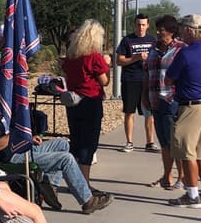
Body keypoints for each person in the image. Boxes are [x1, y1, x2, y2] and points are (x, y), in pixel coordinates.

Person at [0, 86, 111, 214]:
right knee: (66, 159)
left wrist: (29, 137)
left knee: (62, 144)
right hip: (14, 157)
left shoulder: (5, 115)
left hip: (24, 148)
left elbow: (17, 135)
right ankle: (87, 200)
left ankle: (49, 185)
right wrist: (16, 133)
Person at [164, 13, 201, 209]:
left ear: (189, 30)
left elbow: (169, 78)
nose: (181, 32)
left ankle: (192, 195)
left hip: (191, 107)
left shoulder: (185, 53)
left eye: (183, 29)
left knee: (187, 153)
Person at [61, 19, 111, 185]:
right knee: (89, 144)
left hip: (73, 102)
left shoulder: (71, 55)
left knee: (76, 140)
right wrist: (107, 65)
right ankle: (84, 182)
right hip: (90, 101)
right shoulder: (94, 57)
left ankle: (74, 179)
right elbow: (104, 81)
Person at [144, 14, 184, 190]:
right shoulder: (153, 50)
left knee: (175, 142)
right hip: (155, 100)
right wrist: (144, 97)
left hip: (172, 100)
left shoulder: (180, 49)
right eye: (158, 29)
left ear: (171, 32)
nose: (158, 32)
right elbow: (147, 74)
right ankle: (167, 177)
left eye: (162, 30)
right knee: (164, 143)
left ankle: (182, 178)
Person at [115, 13, 157, 152]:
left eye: (143, 24)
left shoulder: (152, 41)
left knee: (149, 113)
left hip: (147, 80)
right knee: (129, 112)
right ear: (134, 25)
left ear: (148, 25)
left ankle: (150, 142)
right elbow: (119, 60)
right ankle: (129, 142)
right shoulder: (127, 40)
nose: (141, 27)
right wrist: (136, 57)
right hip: (130, 80)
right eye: (138, 24)